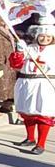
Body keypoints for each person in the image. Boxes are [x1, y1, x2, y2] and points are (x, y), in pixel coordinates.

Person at [10, 15, 55, 155]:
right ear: (37, 36)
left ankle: (41, 144)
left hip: (46, 84)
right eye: (42, 36)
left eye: (48, 37)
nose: (45, 39)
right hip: (27, 82)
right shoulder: (29, 48)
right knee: (27, 112)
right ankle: (30, 138)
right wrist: (19, 53)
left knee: (43, 113)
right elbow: (16, 65)